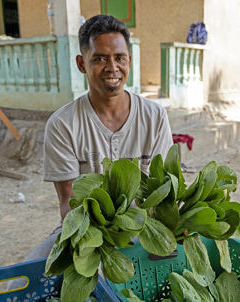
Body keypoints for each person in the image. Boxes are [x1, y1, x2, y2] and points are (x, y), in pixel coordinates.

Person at [23, 14, 173, 262]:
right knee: (26, 274)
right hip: (86, 233)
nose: (112, 68)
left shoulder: (154, 116)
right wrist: (105, 246)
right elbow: (69, 204)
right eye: (100, 59)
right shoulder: (62, 124)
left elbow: (165, 188)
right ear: (82, 64)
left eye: (119, 58)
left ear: (129, 61)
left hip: (145, 229)